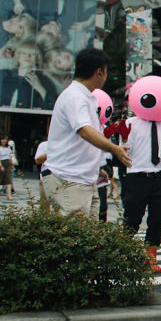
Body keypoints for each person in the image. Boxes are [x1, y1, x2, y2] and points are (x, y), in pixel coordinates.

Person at [41, 48, 131, 217]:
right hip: (69, 179)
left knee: (86, 236)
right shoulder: (75, 97)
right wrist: (114, 148)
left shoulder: (85, 97)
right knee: (73, 238)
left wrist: (95, 168)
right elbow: (84, 131)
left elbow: (81, 140)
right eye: (106, 71)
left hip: (82, 179)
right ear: (99, 72)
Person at [114, 76, 161, 273]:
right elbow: (125, 152)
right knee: (133, 217)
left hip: (158, 176)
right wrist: (124, 138)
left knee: (157, 219)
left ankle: (150, 257)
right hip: (137, 176)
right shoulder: (131, 123)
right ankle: (122, 253)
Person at [0, 134, 13, 199]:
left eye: (5, 139)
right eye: (2, 139)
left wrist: (12, 164)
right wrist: (1, 166)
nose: (4, 141)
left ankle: (9, 194)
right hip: (1, 163)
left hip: (7, 163)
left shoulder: (8, 148)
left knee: (8, 179)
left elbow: (10, 156)